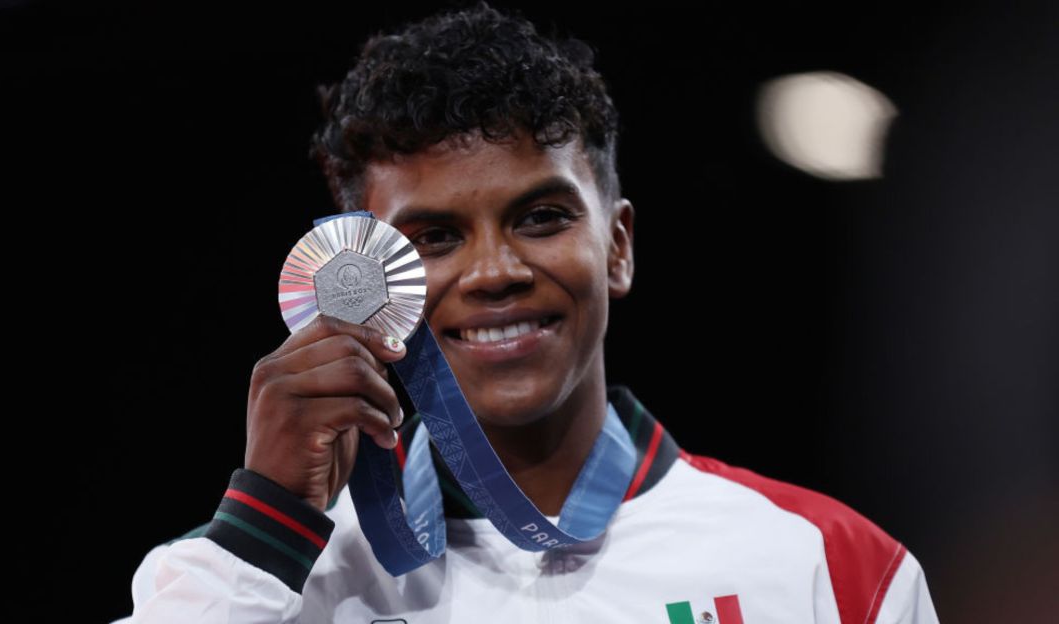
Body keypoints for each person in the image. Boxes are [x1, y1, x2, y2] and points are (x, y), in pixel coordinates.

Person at [114, 2, 939, 622]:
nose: (494, 272)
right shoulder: (246, 584)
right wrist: (269, 525)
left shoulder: (832, 570)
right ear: (368, 278)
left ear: (617, 247)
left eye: (541, 217)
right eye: (434, 236)